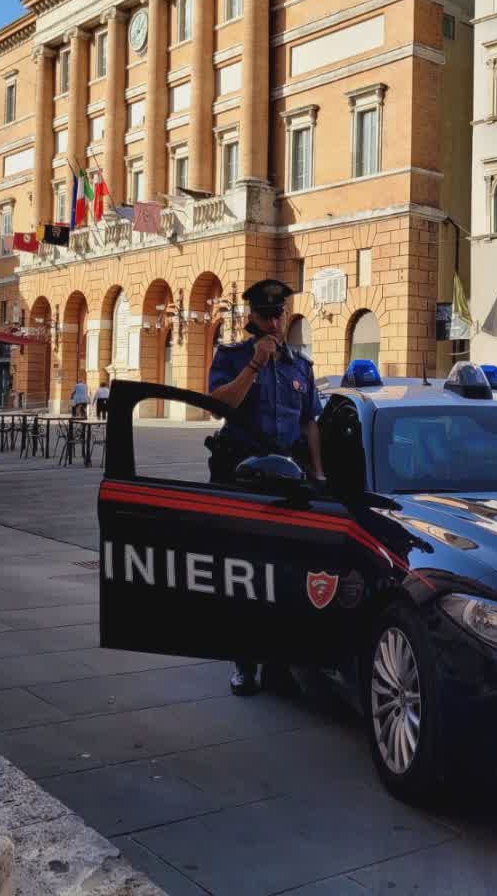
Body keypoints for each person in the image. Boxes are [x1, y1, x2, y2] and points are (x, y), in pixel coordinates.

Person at [206, 278, 325, 697]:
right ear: (251, 317)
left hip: (289, 480)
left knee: (285, 574)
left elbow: (310, 421)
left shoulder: (300, 366)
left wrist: (318, 473)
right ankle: (243, 663)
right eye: (265, 315)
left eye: (279, 314)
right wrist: (254, 365)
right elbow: (219, 405)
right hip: (243, 479)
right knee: (245, 574)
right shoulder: (232, 356)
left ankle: (278, 660)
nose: (274, 322)